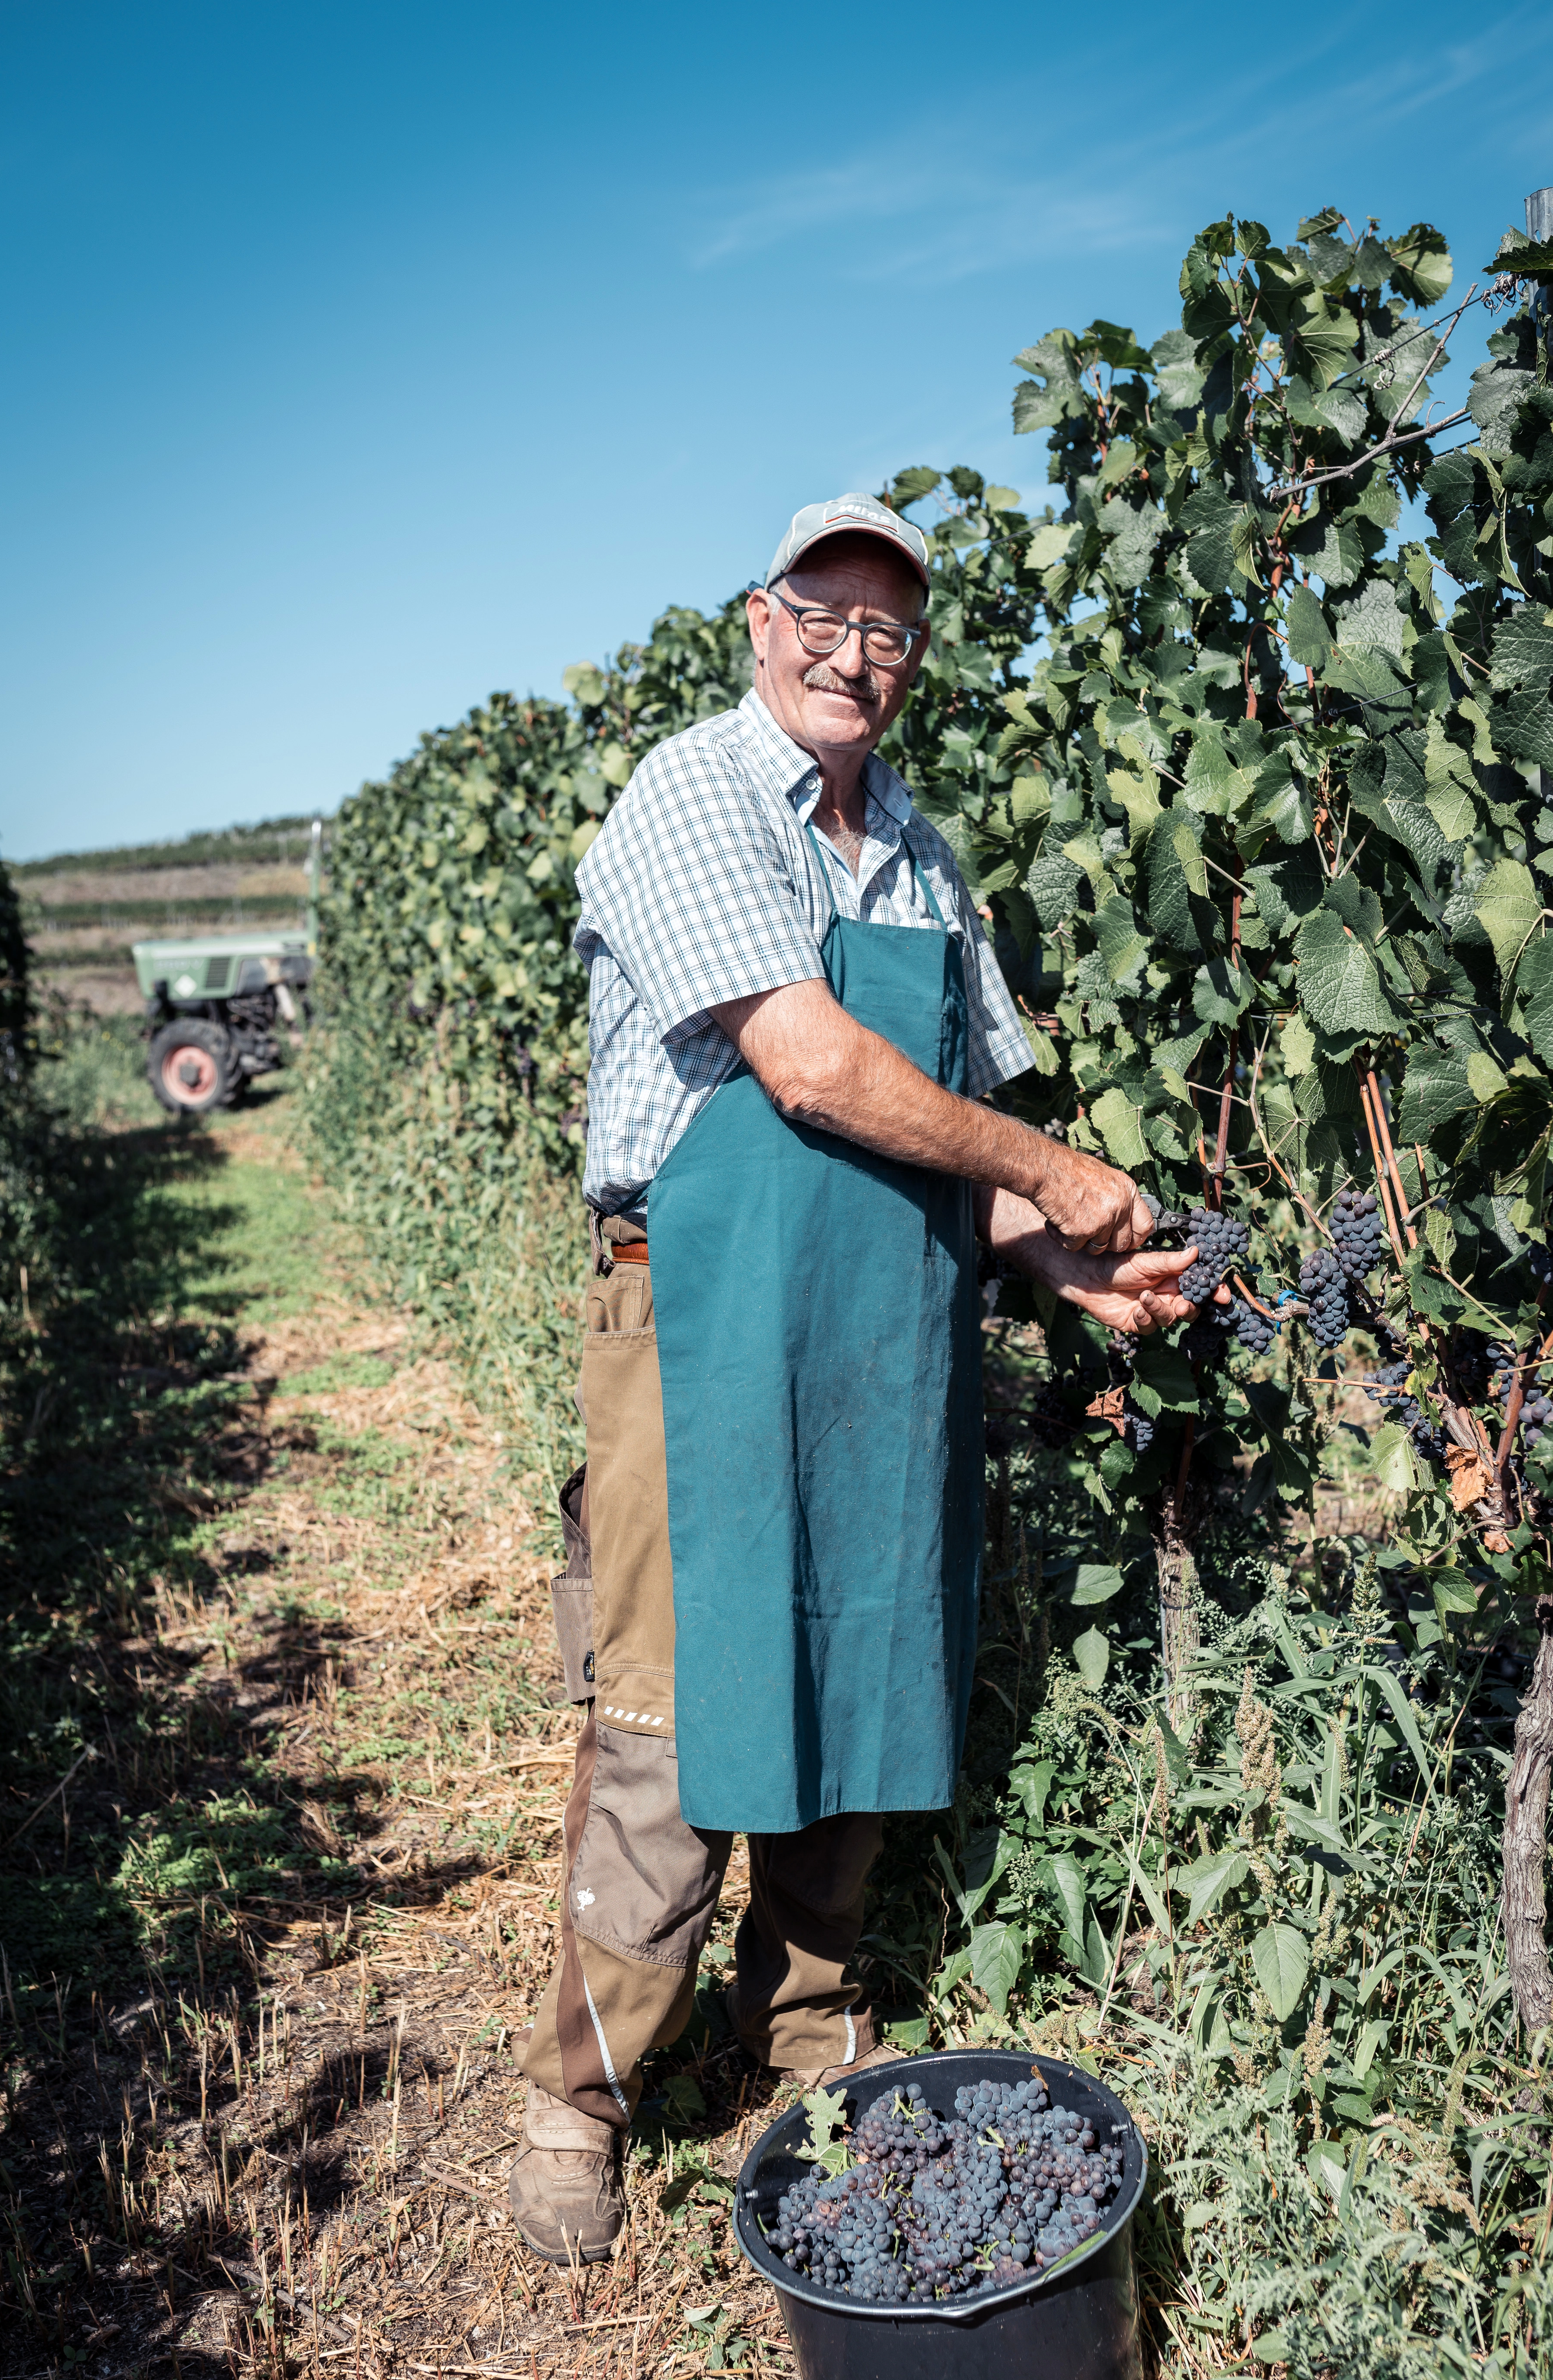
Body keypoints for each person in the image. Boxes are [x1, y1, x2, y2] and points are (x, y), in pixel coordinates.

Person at [507, 492, 1204, 2261]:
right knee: (676, 1710)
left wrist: (1067, 1266)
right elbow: (812, 1070)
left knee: (866, 1665)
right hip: (702, 1305)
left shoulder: (925, 858)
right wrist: (1052, 1167)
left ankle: (802, 2032)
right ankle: (580, 2100)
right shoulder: (691, 796)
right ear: (762, 620)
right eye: (826, 613)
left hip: (890, 1318)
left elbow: (940, 1155)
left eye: (890, 628)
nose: (856, 653)